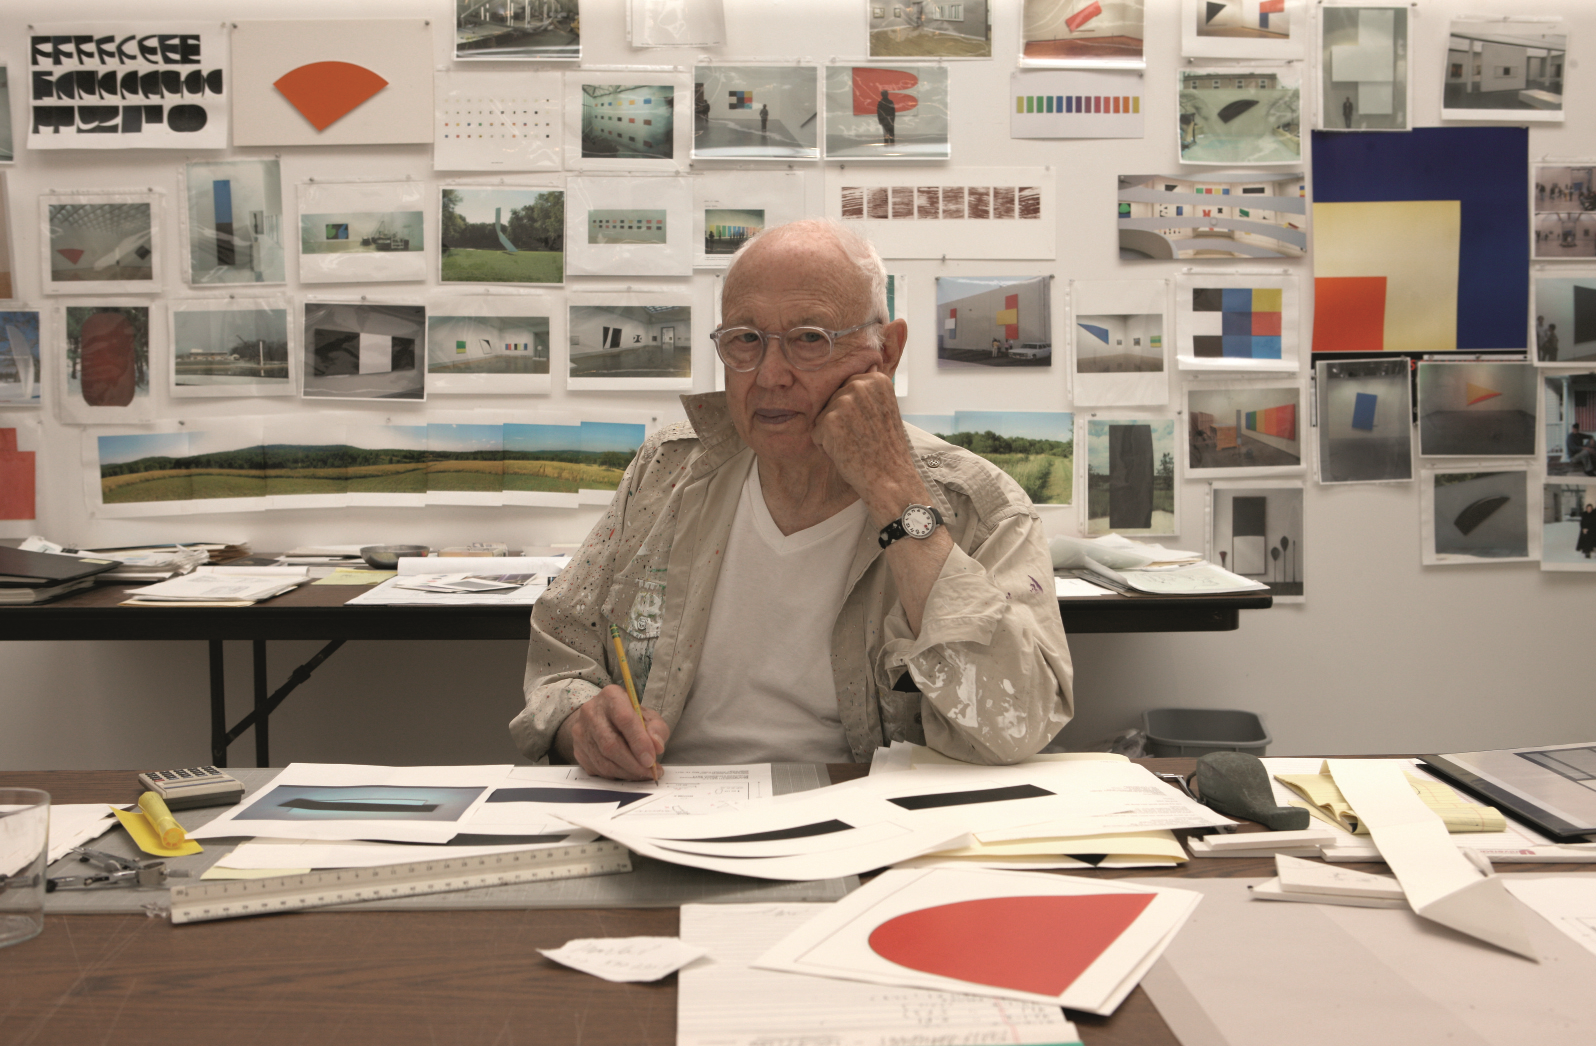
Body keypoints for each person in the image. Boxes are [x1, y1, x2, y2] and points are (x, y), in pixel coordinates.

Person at [513, 219, 1073, 779]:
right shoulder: (667, 471)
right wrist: (576, 721)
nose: (770, 375)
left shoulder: (980, 504)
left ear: (887, 351)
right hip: (664, 807)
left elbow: (1017, 723)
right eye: (745, 340)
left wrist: (895, 493)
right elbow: (561, 654)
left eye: (810, 339)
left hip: (870, 823)